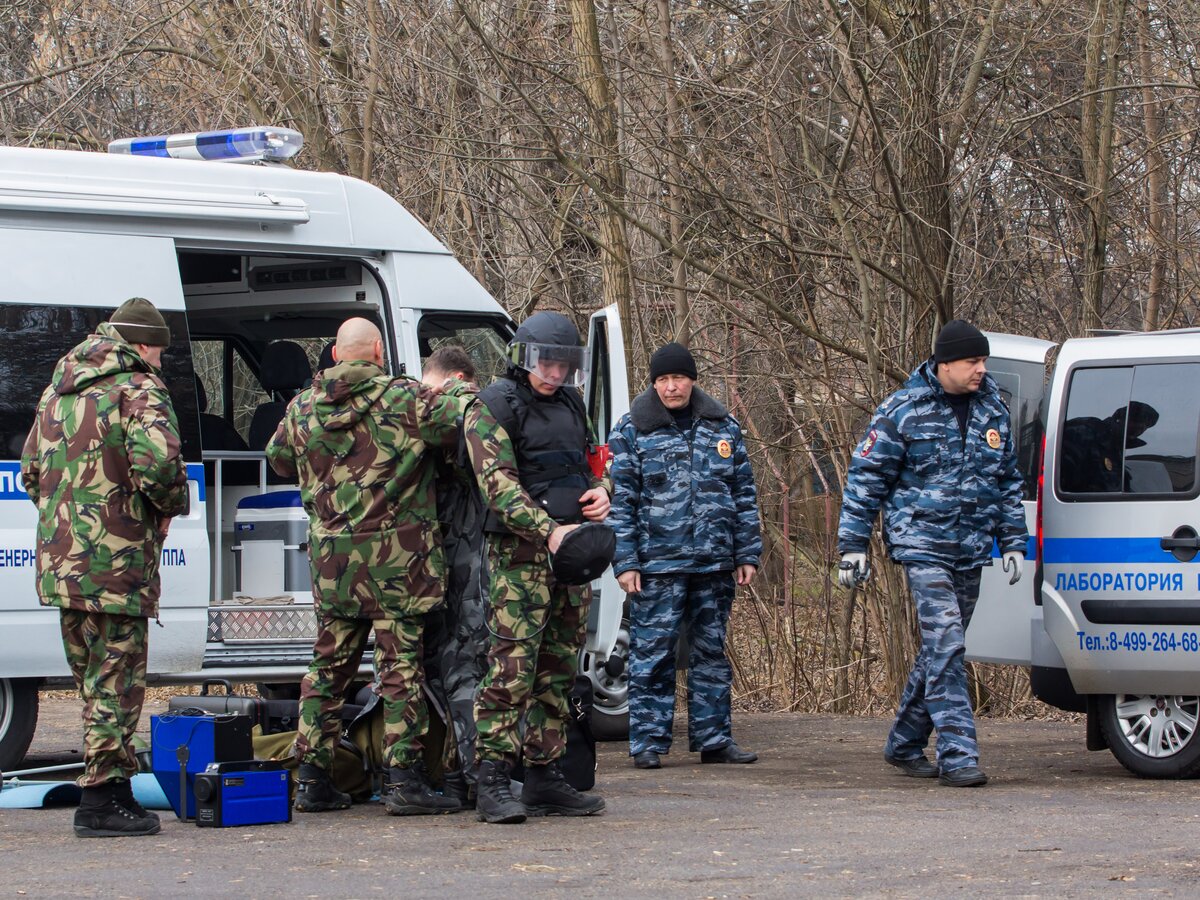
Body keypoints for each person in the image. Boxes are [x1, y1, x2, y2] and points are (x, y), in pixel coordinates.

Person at [266, 317, 465, 816]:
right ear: (378, 351)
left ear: (336, 354)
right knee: (400, 669)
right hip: (398, 562)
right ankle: (405, 780)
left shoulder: (301, 408)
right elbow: (456, 432)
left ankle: (312, 778)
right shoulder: (407, 400)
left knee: (328, 668)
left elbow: (278, 460)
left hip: (334, 565)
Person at [21, 297, 189, 837]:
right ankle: (101, 800)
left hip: (62, 562)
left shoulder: (57, 392)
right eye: (158, 352)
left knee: (93, 681)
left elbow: (31, 474)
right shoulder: (138, 389)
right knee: (117, 680)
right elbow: (160, 466)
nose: (159, 363)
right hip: (116, 562)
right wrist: (166, 510)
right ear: (141, 345)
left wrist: (68, 522)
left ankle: (111, 788)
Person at [837, 319, 1026, 788]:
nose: (981, 369)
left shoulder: (993, 410)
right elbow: (866, 479)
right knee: (947, 643)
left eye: (983, 361)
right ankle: (958, 753)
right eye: (972, 362)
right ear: (944, 364)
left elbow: (1007, 482)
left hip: (971, 546)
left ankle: (903, 741)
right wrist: (853, 544)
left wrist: (1015, 541)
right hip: (922, 544)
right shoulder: (903, 409)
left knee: (941, 648)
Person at [465, 310, 609, 824]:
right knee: (512, 667)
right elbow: (498, 485)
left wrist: (601, 495)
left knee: (560, 667)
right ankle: (493, 780)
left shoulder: (572, 402)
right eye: (546, 363)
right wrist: (548, 530)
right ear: (525, 358)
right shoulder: (493, 406)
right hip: (520, 557)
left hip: (573, 555)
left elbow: (593, 462)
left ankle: (546, 774)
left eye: (562, 364)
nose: (553, 373)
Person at [607, 342, 762, 770]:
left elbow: (744, 495)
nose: (671, 387)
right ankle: (649, 744)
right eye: (663, 380)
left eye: (678, 378)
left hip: (714, 563)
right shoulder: (631, 430)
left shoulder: (722, 427)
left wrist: (746, 552)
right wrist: (626, 562)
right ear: (653, 383)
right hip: (657, 564)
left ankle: (714, 740)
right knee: (652, 654)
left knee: (710, 654)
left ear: (692, 380)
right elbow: (622, 503)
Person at [418, 345, 485, 807]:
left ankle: (468, 772)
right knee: (448, 666)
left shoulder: (473, 413)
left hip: (459, 563)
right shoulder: (454, 415)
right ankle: (463, 770)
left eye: (433, 390)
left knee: (459, 664)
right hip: (443, 562)